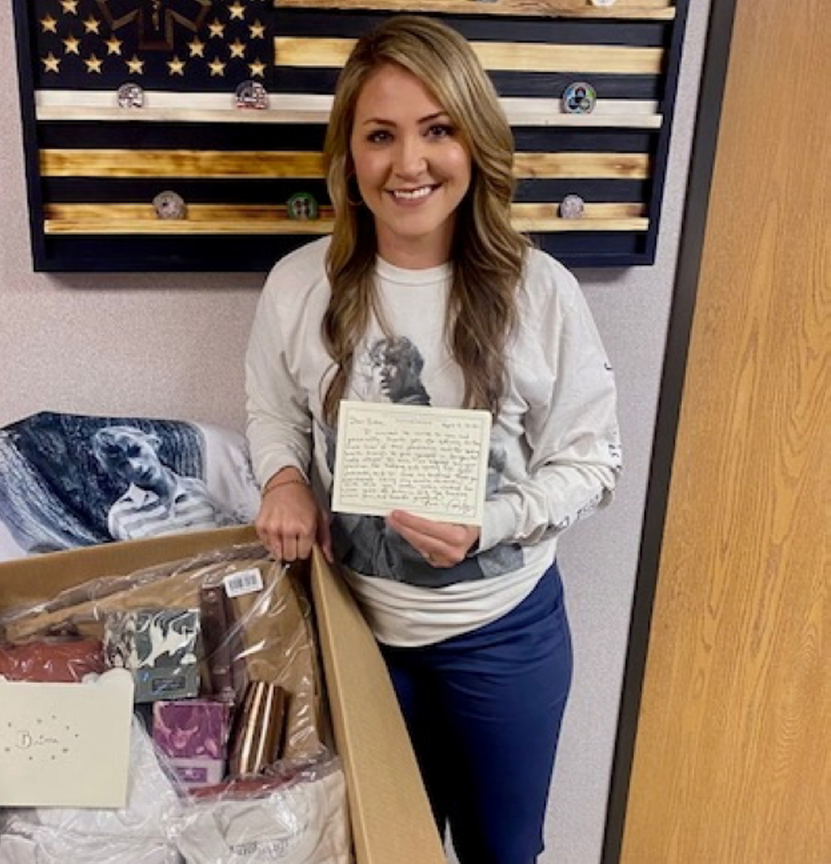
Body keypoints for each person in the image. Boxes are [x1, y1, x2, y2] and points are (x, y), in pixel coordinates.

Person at [244, 15, 621, 864]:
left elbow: (595, 463)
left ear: (475, 142)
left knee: (503, 852)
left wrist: (488, 523)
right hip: (356, 633)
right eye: (380, 135)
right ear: (349, 156)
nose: (408, 164)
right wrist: (283, 482)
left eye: (437, 130)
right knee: (385, 850)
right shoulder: (298, 285)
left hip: (503, 634)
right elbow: (273, 411)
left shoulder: (541, 292)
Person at [91, 425, 226, 540]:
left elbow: (232, 540)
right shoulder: (121, 515)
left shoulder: (199, 488)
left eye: (136, 451)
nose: (136, 466)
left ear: (152, 443)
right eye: (122, 465)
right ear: (116, 473)